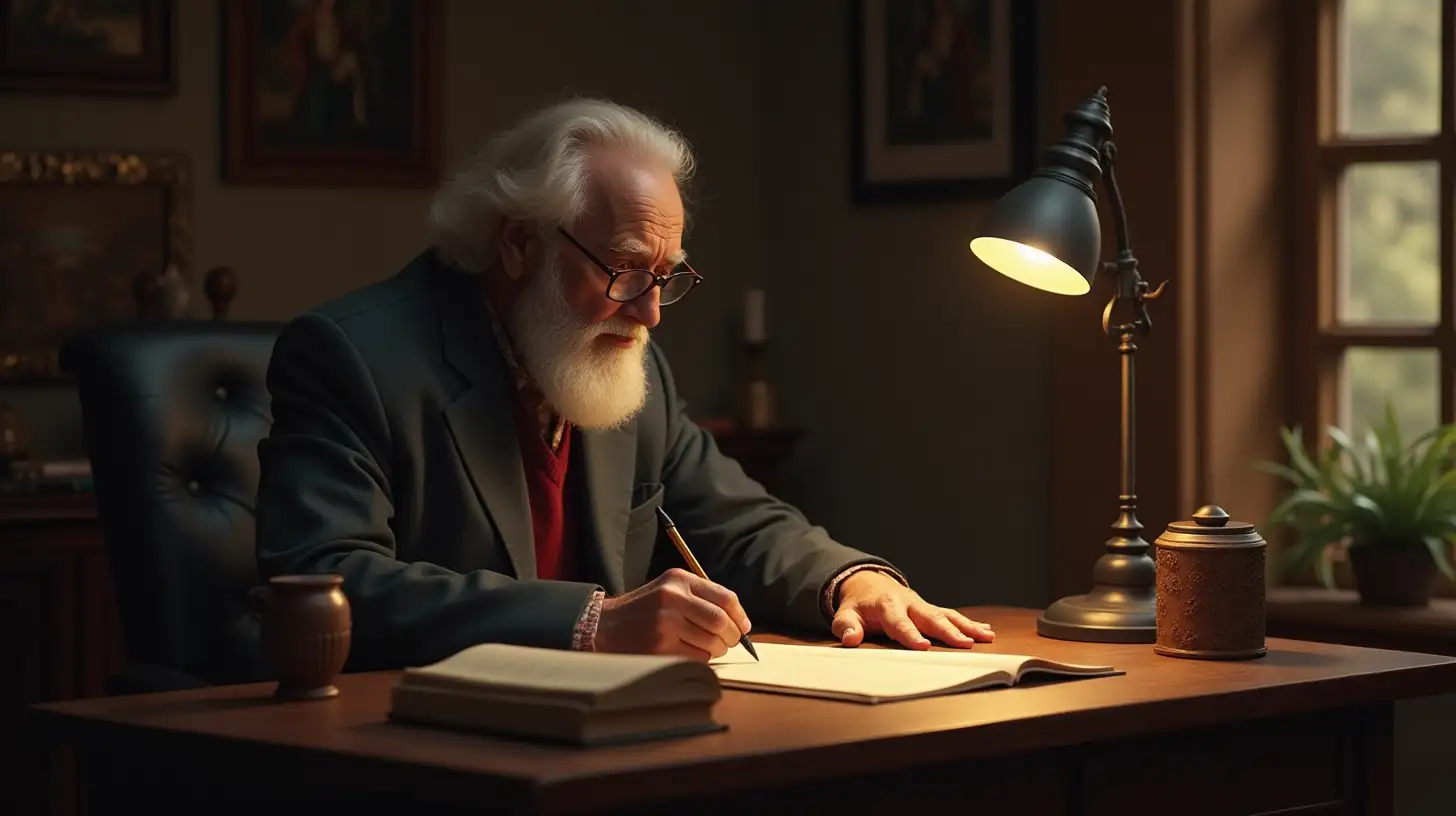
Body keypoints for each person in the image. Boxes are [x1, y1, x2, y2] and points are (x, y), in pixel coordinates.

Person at [254, 98, 995, 671]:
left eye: (666, 279)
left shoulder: (620, 359)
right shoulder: (352, 356)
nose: (649, 313)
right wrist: (589, 624)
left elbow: (738, 522)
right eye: (626, 271)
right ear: (519, 243)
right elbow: (328, 580)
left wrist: (850, 581)